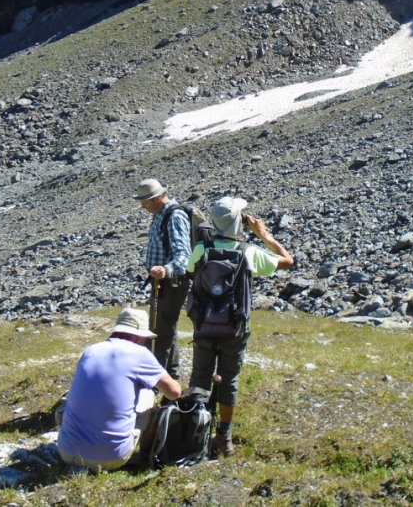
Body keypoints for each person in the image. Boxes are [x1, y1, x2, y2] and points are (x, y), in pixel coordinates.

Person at [186, 196, 293, 457]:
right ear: (238, 222)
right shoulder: (249, 253)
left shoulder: (202, 249)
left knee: (199, 377)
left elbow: (190, 270)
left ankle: (195, 435)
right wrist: (263, 234)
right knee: (229, 380)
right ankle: (225, 437)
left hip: (203, 325)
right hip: (234, 327)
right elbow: (287, 260)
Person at [56, 307, 182, 472]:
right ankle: (144, 454)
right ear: (138, 336)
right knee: (148, 394)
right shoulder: (140, 353)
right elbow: (174, 393)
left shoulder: (91, 351)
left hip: (66, 451)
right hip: (110, 458)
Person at [133, 178, 192, 379]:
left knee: (162, 329)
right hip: (162, 281)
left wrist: (166, 269)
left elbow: (184, 255)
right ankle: (170, 373)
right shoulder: (160, 214)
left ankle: (159, 376)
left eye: (145, 201)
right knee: (164, 326)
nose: (142, 206)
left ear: (157, 198)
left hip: (172, 282)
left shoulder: (175, 216)